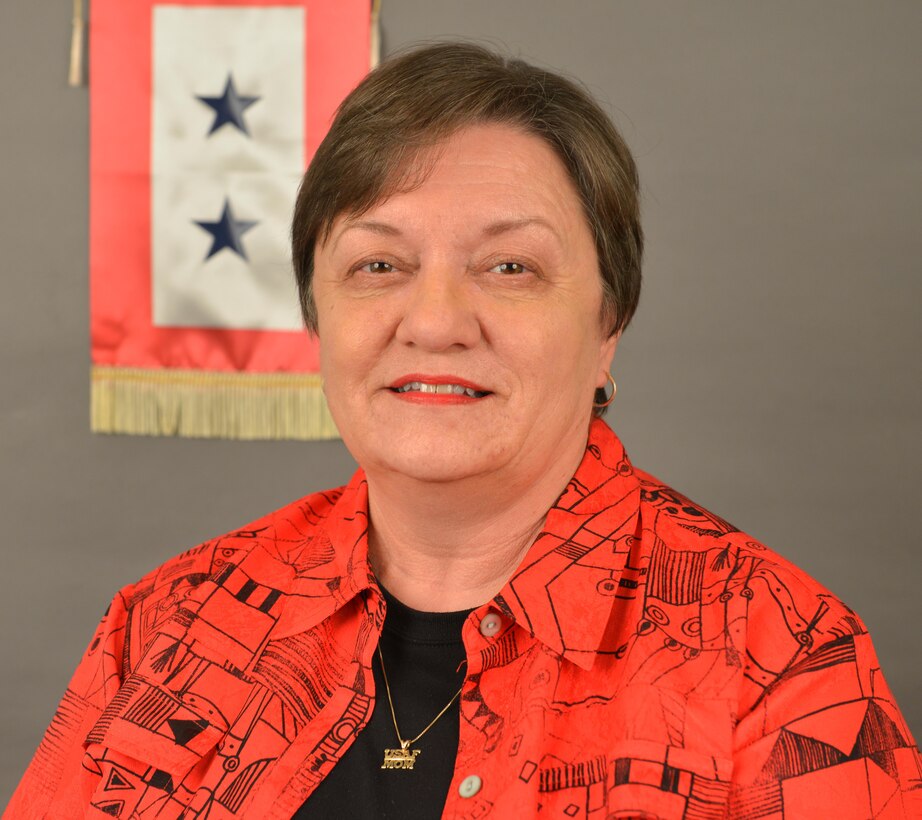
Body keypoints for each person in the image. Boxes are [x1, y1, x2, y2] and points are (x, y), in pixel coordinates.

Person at [7, 42, 920, 820]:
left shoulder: (785, 660)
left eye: (510, 266)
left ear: (610, 325)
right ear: (317, 316)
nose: (435, 319)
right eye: (378, 263)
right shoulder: (169, 624)